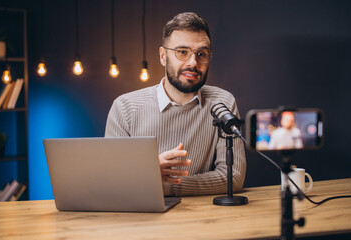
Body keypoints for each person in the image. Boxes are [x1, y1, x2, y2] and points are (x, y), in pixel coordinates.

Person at [105, 12, 246, 196]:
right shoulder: (124, 108)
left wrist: (163, 185)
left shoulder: (223, 103)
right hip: (140, 218)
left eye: (201, 54)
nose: (193, 63)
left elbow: (233, 177)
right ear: (163, 56)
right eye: (182, 52)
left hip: (203, 218)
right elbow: (110, 181)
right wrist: (147, 170)